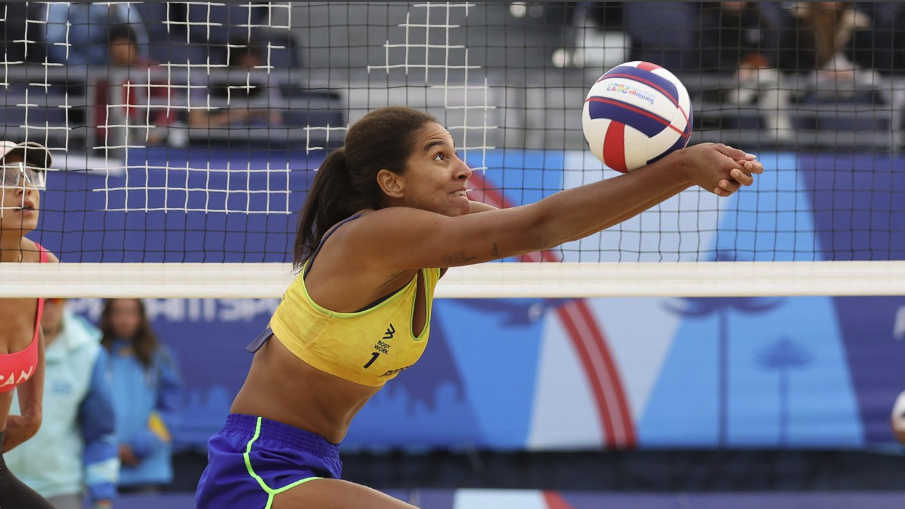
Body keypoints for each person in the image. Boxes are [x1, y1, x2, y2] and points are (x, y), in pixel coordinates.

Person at [194, 106, 764, 508]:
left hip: (313, 460)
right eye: (439, 156)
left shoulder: (423, 244)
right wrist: (682, 168)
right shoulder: (376, 236)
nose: (463, 169)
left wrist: (682, 174)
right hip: (259, 467)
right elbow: (538, 225)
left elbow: (552, 223)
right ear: (391, 182)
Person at [5, 298, 119, 509]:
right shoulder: (6, 334)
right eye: (43, 300)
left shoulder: (88, 354)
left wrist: (102, 497)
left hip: (60, 490)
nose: (49, 306)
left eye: (55, 300)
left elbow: (100, 433)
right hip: (3, 483)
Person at [0, 140, 59, 508]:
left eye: (32, 175)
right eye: (7, 177)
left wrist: (33, 413)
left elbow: (33, 328)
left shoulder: (44, 266)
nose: (26, 187)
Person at [99, 298, 182, 493]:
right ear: (108, 316)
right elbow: (88, 409)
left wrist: (141, 445)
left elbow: (170, 410)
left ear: (141, 317)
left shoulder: (160, 357)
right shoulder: (95, 356)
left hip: (147, 470)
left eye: (131, 312)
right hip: (103, 468)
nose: (124, 319)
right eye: (118, 312)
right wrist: (111, 449)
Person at [96, 24, 176, 148]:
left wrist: (157, 130)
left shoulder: (154, 73)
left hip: (153, 138)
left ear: (135, 47)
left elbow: (167, 107)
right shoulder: (103, 79)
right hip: (113, 141)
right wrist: (108, 134)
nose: (121, 50)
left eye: (125, 44)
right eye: (116, 45)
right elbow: (99, 113)